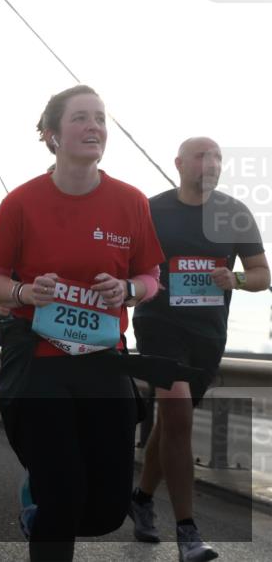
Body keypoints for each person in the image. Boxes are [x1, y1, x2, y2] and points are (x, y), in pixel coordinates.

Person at [0, 85, 165, 561]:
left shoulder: (131, 202)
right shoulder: (21, 202)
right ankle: (47, 503)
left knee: (105, 509)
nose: (94, 126)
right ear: (52, 134)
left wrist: (128, 290)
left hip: (103, 362)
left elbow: (151, 276)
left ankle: (38, 503)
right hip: (42, 363)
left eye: (100, 118)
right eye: (81, 117)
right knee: (63, 494)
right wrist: (23, 292)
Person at [128, 137, 268, 561]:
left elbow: (262, 273)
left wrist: (237, 280)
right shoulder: (150, 209)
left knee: (175, 420)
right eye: (201, 156)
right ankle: (187, 531)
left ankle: (142, 497)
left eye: (218, 157)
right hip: (159, 324)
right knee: (177, 412)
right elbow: (127, 263)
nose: (211, 164)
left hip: (207, 334)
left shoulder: (234, 214)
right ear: (179, 163)